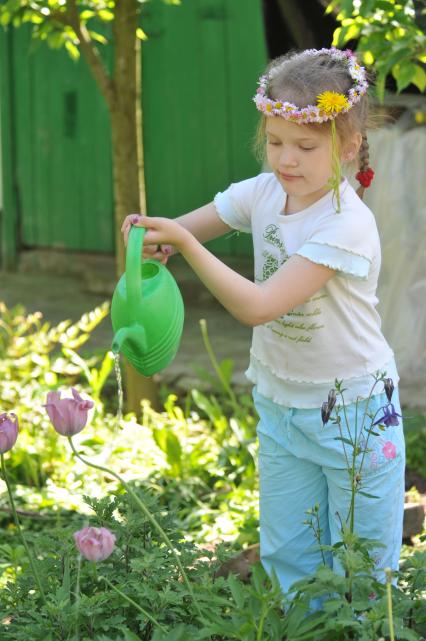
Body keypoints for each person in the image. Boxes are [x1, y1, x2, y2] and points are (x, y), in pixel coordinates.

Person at [121, 48, 405, 608]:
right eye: (275, 142)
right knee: (288, 552)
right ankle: (300, 623)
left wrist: (186, 246)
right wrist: (151, 236)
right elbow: (183, 229)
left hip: (355, 413)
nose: (286, 160)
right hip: (280, 402)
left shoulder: (346, 224)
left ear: (348, 147)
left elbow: (258, 305)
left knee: (363, 560)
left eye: (305, 146)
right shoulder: (263, 193)